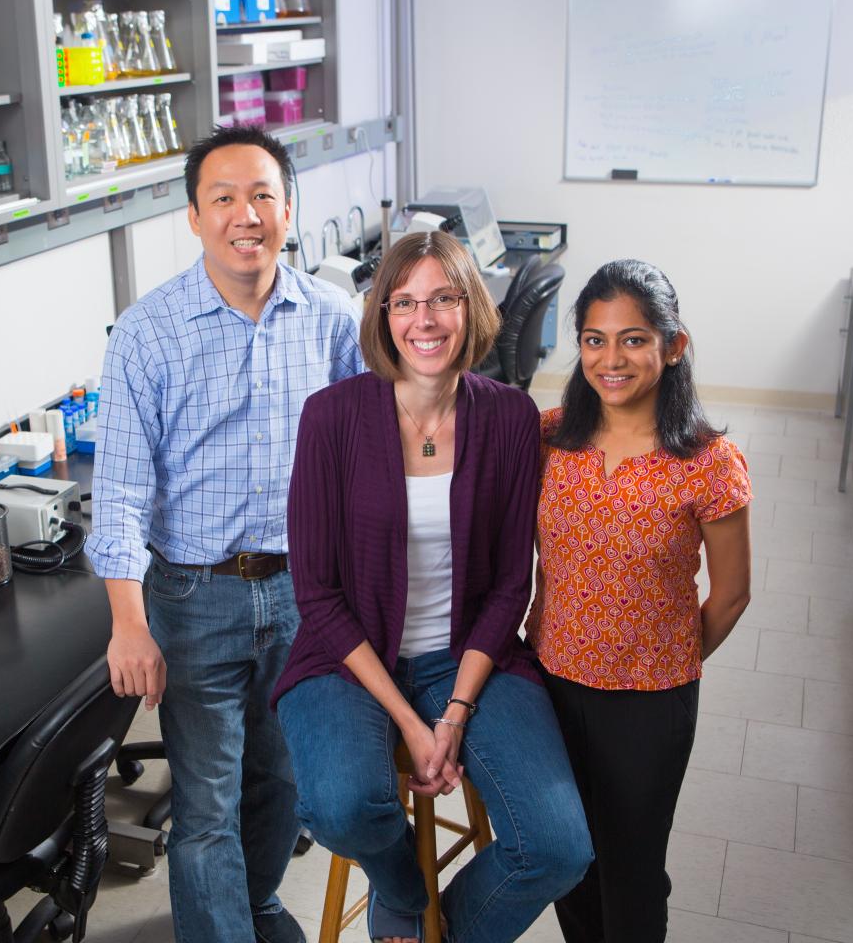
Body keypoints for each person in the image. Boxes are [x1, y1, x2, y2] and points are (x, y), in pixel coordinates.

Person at [274, 231, 594, 943]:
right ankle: (402, 886)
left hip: (469, 653)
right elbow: (317, 594)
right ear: (383, 315)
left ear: (470, 306)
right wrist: (414, 727)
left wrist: (450, 714)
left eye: (443, 298)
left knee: (558, 848)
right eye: (406, 302)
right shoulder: (331, 418)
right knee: (342, 806)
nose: (425, 320)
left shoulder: (508, 418)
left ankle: (441, 929)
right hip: (347, 656)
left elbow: (512, 584)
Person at [86, 124, 363, 943]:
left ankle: (257, 906)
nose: (246, 214)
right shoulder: (147, 333)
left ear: (288, 208)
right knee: (207, 804)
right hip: (194, 595)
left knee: (282, 778)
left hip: (304, 592)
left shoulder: (332, 320)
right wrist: (129, 622)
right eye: (224, 198)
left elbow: (364, 464)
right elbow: (123, 491)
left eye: (263, 195)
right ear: (194, 216)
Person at [527, 259, 753, 943]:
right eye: (594, 339)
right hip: (552, 682)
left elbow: (734, 592)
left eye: (632, 339)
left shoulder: (707, 460)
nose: (610, 358)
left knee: (631, 867)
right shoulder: (549, 437)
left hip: (650, 700)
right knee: (573, 859)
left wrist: (661, 657)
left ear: (672, 344)